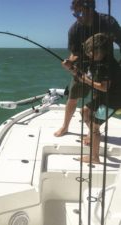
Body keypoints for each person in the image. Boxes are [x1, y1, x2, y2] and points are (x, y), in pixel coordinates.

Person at [54, 0, 121, 137]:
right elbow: (74, 54)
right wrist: (69, 62)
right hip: (83, 68)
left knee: (99, 102)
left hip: (104, 69)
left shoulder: (108, 22)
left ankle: (92, 132)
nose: (77, 17)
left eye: (79, 12)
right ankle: (65, 126)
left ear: (90, 8)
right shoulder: (74, 29)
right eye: (74, 14)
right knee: (73, 97)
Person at [62, 33, 121, 164]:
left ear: (100, 50)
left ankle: (94, 157)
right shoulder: (97, 61)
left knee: (94, 126)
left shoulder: (108, 65)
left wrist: (87, 81)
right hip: (103, 98)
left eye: (90, 51)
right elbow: (85, 75)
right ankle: (95, 135)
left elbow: (104, 87)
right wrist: (72, 68)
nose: (88, 54)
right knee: (84, 112)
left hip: (112, 101)